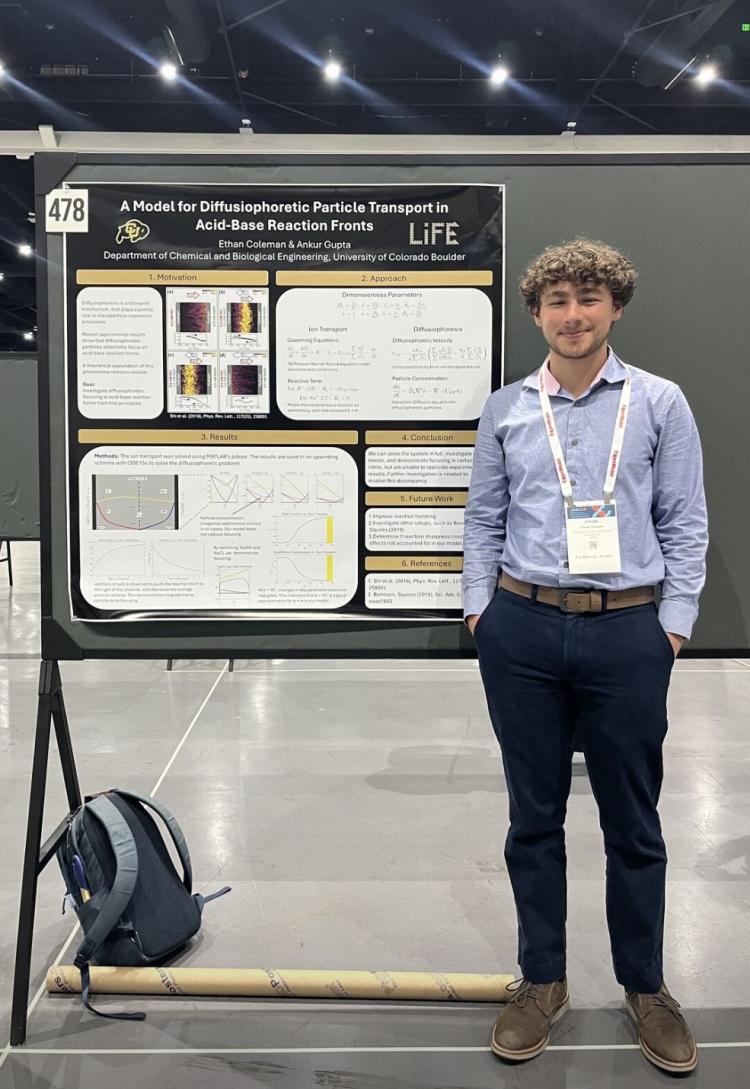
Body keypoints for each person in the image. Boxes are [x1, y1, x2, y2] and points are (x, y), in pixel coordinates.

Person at [463, 238, 707, 1073]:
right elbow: (482, 518)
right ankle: (543, 980)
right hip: (522, 630)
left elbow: (684, 520)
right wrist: (481, 612)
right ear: (536, 313)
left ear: (615, 307)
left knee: (633, 822)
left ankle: (646, 986)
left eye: (589, 298)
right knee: (532, 819)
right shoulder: (506, 409)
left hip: (628, 632)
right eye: (558, 300)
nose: (574, 314)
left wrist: (670, 628)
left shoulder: (660, 402)